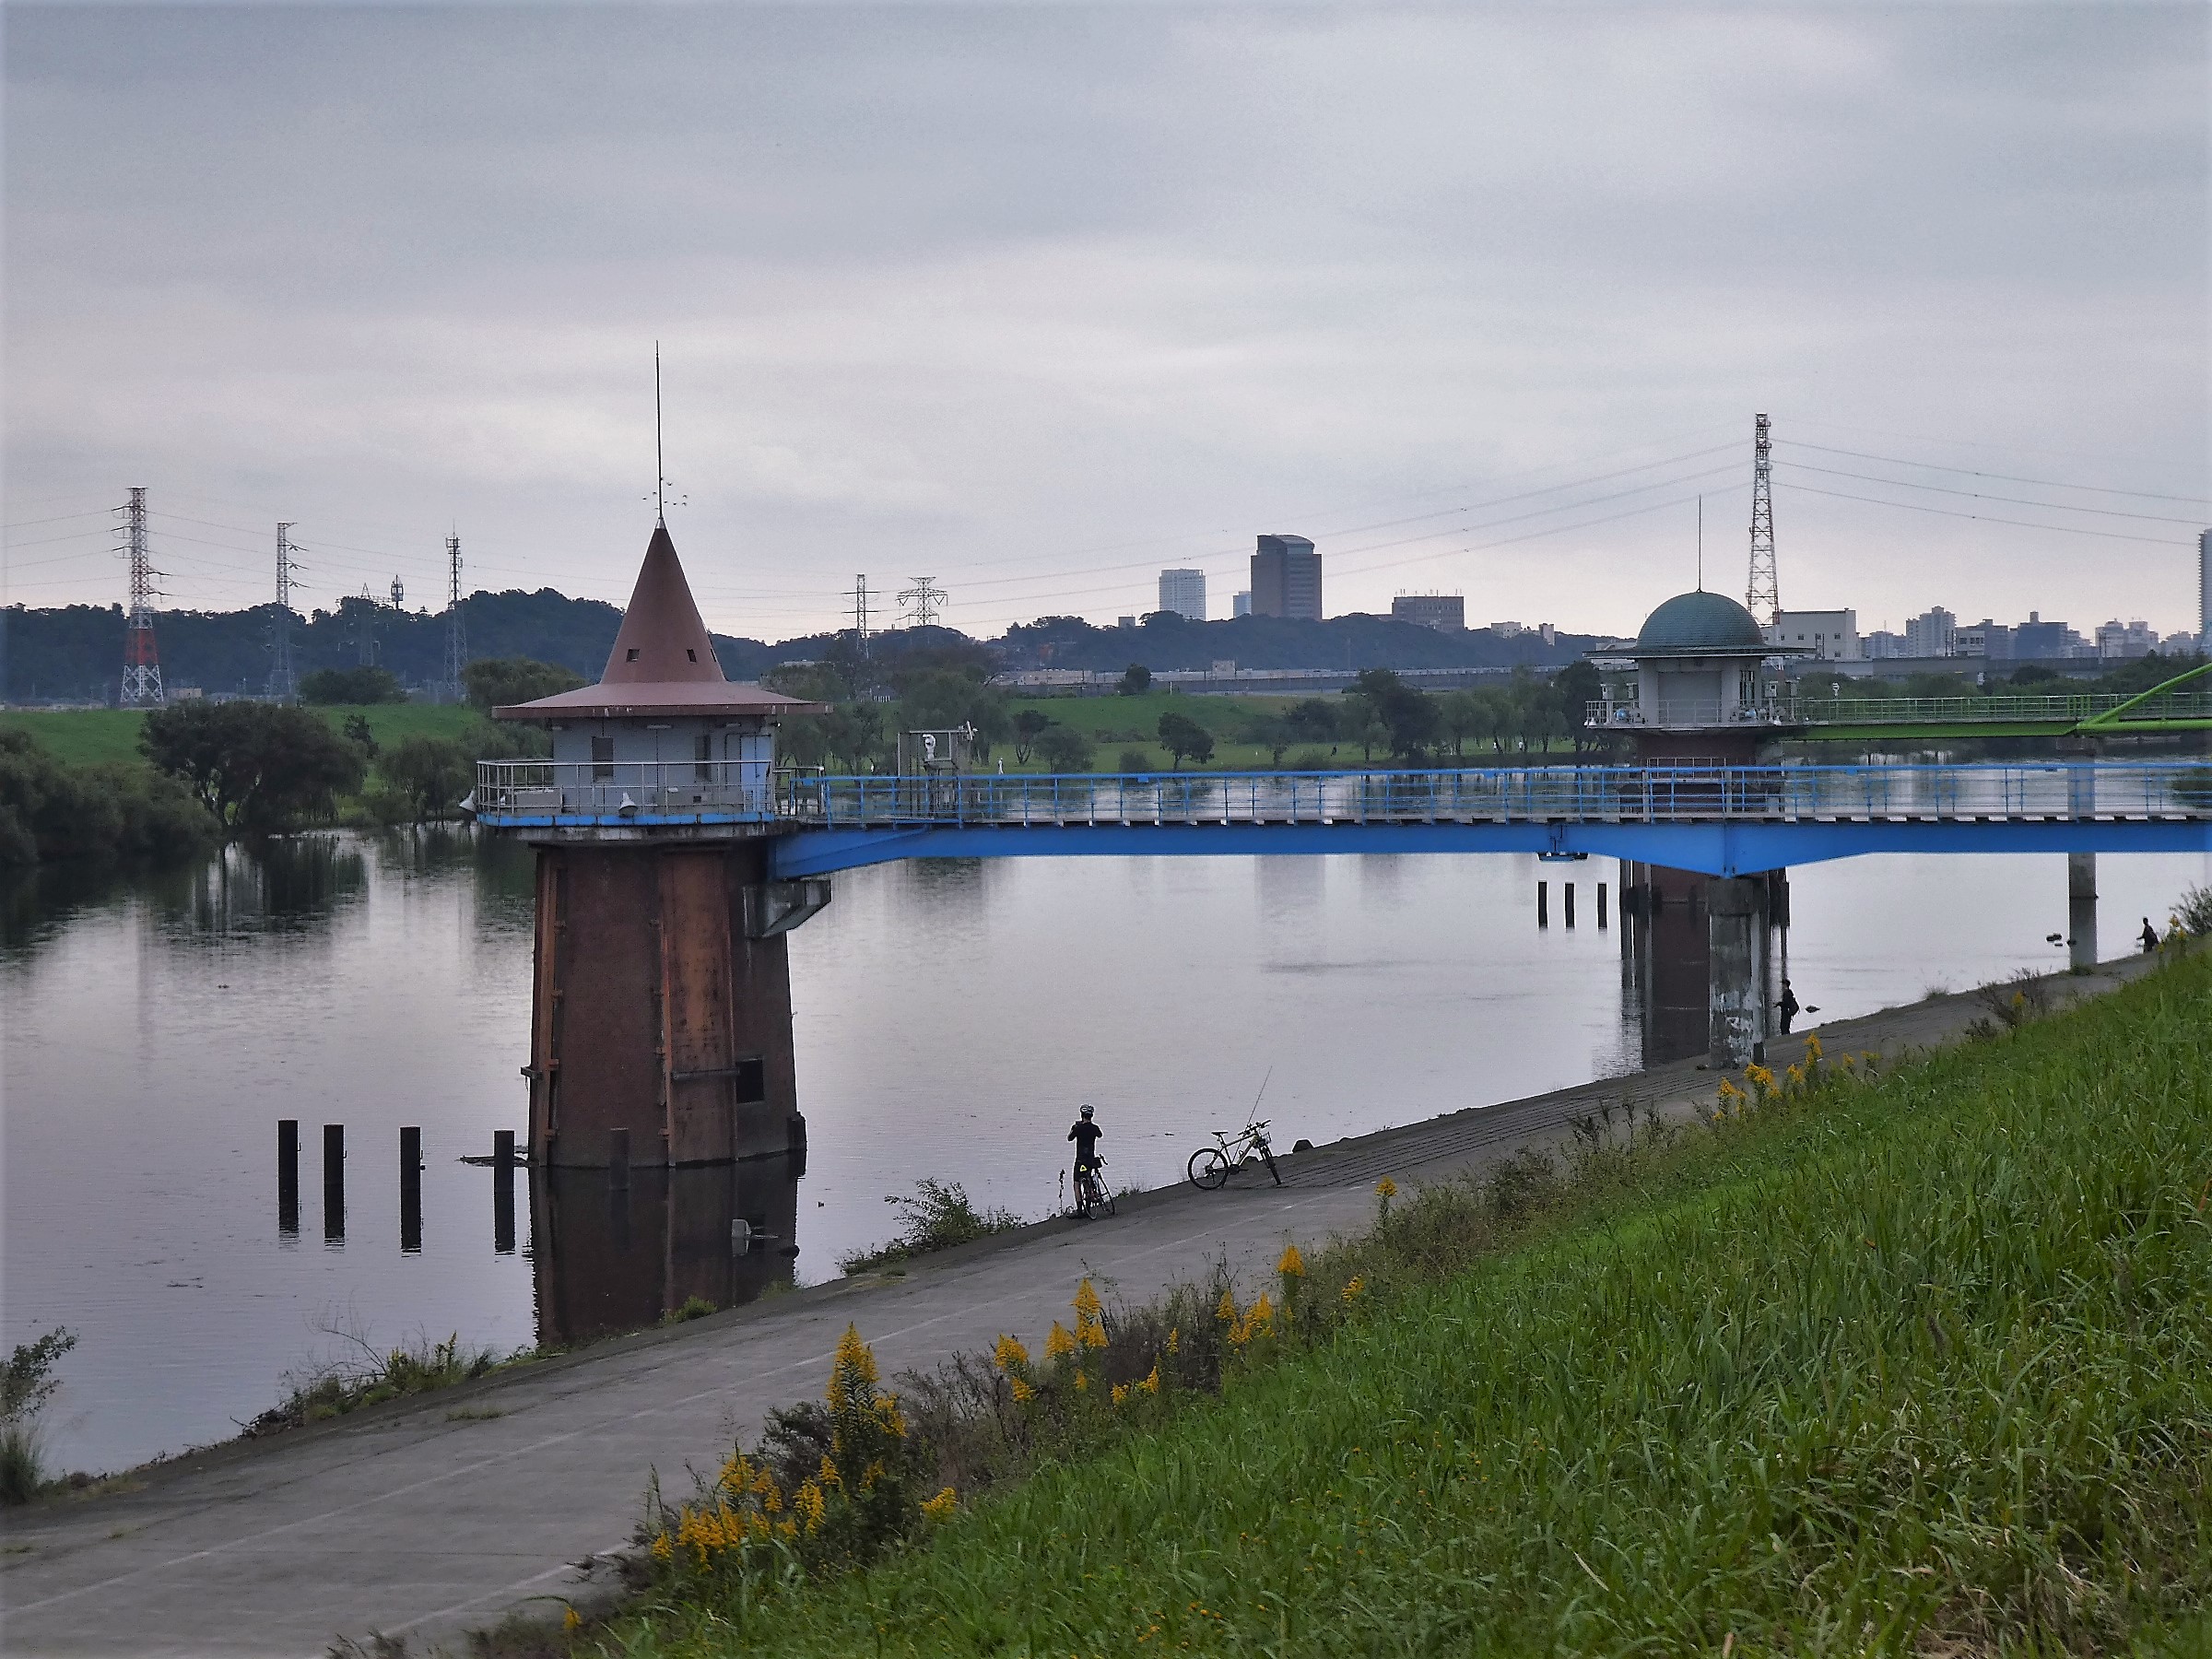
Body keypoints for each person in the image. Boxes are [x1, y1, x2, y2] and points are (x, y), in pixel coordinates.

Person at [1067, 1104, 1103, 1184]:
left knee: (1076, 1182)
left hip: (1080, 1159)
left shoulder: (1078, 1128)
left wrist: (1073, 1128)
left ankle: (1078, 1196)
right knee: (1088, 1174)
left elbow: (1069, 1138)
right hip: (1090, 1158)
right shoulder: (1095, 1128)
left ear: (1082, 1115)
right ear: (1091, 1116)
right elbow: (1100, 1135)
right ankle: (1094, 1193)